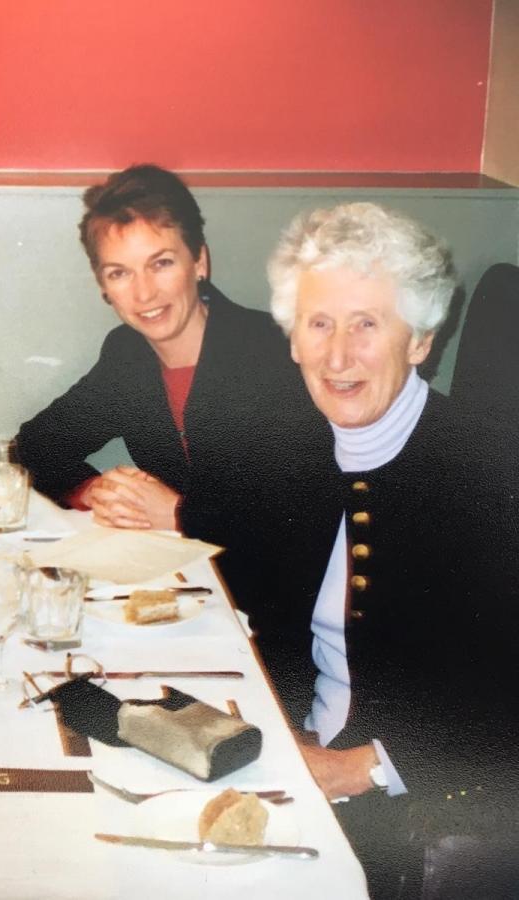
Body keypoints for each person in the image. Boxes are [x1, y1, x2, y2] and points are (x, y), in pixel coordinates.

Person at [258, 202, 519, 899]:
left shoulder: (490, 474)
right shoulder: (302, 450)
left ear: (421, 341)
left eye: (366, 324)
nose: (337, 355)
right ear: (293, 340)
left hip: (413, 813)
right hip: (302, 766)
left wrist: (365, 768)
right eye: (319, 324)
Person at [15, 164, 325, 597]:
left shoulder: (275, 352)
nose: (144, 294)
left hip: (277, 608)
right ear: (102, 285)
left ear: (199, 261)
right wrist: (98, 491)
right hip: (180, 587)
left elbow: (304, 516)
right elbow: (36, 444)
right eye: (119, 272)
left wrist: (180, 514)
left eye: (160, 263)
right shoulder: (128, 354)